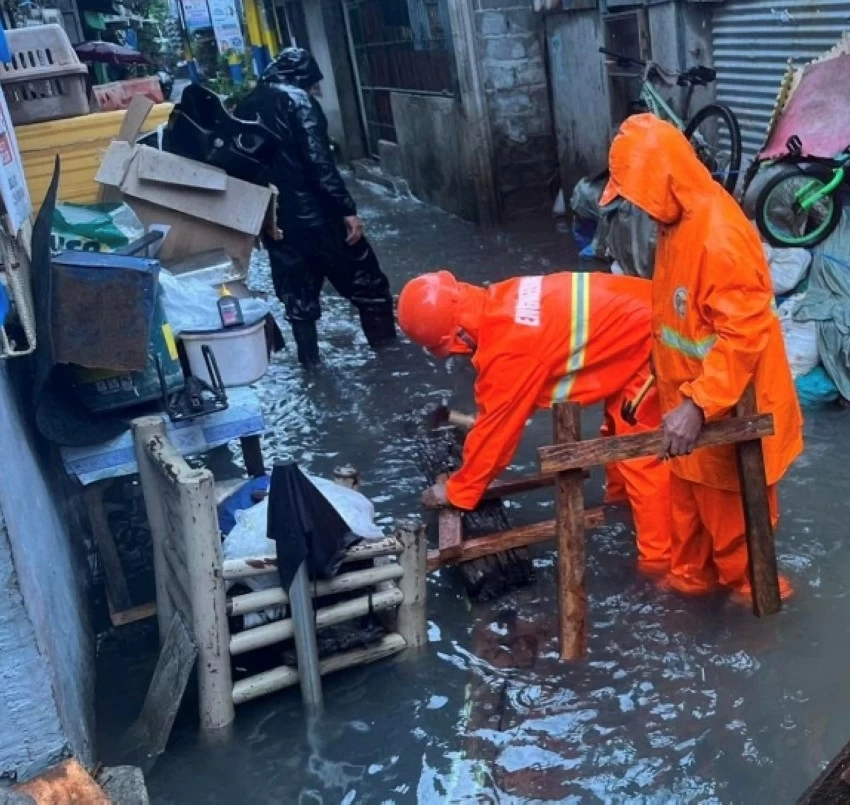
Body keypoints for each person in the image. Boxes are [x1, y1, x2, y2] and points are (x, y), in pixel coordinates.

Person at [600, 114, 803, 604]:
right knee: (689, 554)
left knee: (742, 561)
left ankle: (761, 638)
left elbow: (743, 334)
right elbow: (680, 324)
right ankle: (689, 613)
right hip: (688, 423)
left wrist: (696, 404)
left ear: (661, 182)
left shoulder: (719, 236)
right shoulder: (676, 222)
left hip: (723, 420)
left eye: (639, 196)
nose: (640, 211)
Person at [396, 270, 671, 573]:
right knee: (618, 437)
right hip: (644, 317)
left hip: (657, 336)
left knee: (641, 456)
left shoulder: (509, 351)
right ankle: (623, 509)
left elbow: (496, 436)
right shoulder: (500, 299)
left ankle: (659, 568)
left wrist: (457, 491)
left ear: (458, 338)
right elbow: (497, 408)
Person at [236, 48, 395, 366]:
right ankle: (391, 358)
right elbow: (319, 161)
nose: (312, 90)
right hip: (318, 217)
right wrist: (346, 208)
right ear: (302, 78)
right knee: (368, 283)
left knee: (297, 293)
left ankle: (310, 364)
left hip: (275, 219)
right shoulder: (299, 101)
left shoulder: (248, 103)